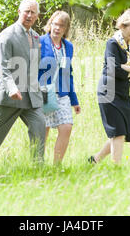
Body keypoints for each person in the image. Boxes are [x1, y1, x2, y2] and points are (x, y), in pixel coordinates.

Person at [0, 0, 46, 163]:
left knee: (40, 126)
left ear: (37, 16)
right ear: (19, 12)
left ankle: (38, 166)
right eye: (26, 11)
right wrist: (12, 88)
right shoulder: (7, 35)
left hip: (31, 96)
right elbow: (3, 67)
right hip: (10, 96)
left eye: (33, 12)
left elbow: (34, 67)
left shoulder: (36, 37)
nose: (29, 15)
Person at [89, 9, 130, 165]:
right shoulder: (112, 43)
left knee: (122, 132)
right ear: (122, 26)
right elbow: (113, 70)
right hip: (108, 91)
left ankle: (95, 160)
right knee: (117, 132)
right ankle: (116, 167)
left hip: (123, 92)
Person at [38, 10, 81, 164]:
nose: (57, 28)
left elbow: (68, 73)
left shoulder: (68, 46)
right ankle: (38, 164)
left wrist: (74, 100)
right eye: (55, 24)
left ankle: (56, 166)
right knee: (43, 130)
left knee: (66, 127)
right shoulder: (40, 41)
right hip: (43, 93)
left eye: (61, 26)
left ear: (66, 28)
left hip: (62, 94)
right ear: (50, 24)